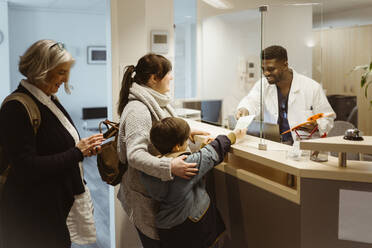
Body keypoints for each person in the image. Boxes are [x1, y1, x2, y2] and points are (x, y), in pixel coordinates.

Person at [0, 39, 104, 248]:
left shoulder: (48, 99)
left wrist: (81, 150)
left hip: (53, 209)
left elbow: (54, 145)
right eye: (60, 72)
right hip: (31, 216)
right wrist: (77, 152)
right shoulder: (16, 108)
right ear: (40, 70)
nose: (66, 78)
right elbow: (26, 166)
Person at [117, 53, 207, 247]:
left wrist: (186, 133)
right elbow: (135, 154)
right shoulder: (138, 110)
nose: (172, 78)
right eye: (168, 74)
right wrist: (169, 166)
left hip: (157, 195)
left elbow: (161, 129)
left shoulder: (157, 101)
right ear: (154, 78)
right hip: (146, 198)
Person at [141, 117, 246, 248]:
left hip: (167, 228)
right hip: (191, 226)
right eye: (186, 140)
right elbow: (211, 154)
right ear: (177, 146)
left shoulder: (152, 168)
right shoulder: (182, 168)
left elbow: (193, 165)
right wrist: (234, 135)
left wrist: (202, 147)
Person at [236, 45, 335, 144]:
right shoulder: (263, 85)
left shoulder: (312, 87)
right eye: (263, 69)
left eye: (271, 69)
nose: (265, 73)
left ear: (285, 65)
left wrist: (317, 125)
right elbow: (251, 101)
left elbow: (328, 118)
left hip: (304, 148)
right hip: (275, 145)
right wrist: (244, 109)